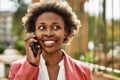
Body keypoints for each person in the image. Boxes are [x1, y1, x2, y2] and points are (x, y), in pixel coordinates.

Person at [9, 1, 92, 80]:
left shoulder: (83, 71)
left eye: (56, 27)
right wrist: (30, 65)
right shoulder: (17, 68)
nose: (48, 33)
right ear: (34, 32)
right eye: (42, 27)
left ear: (65, 32)